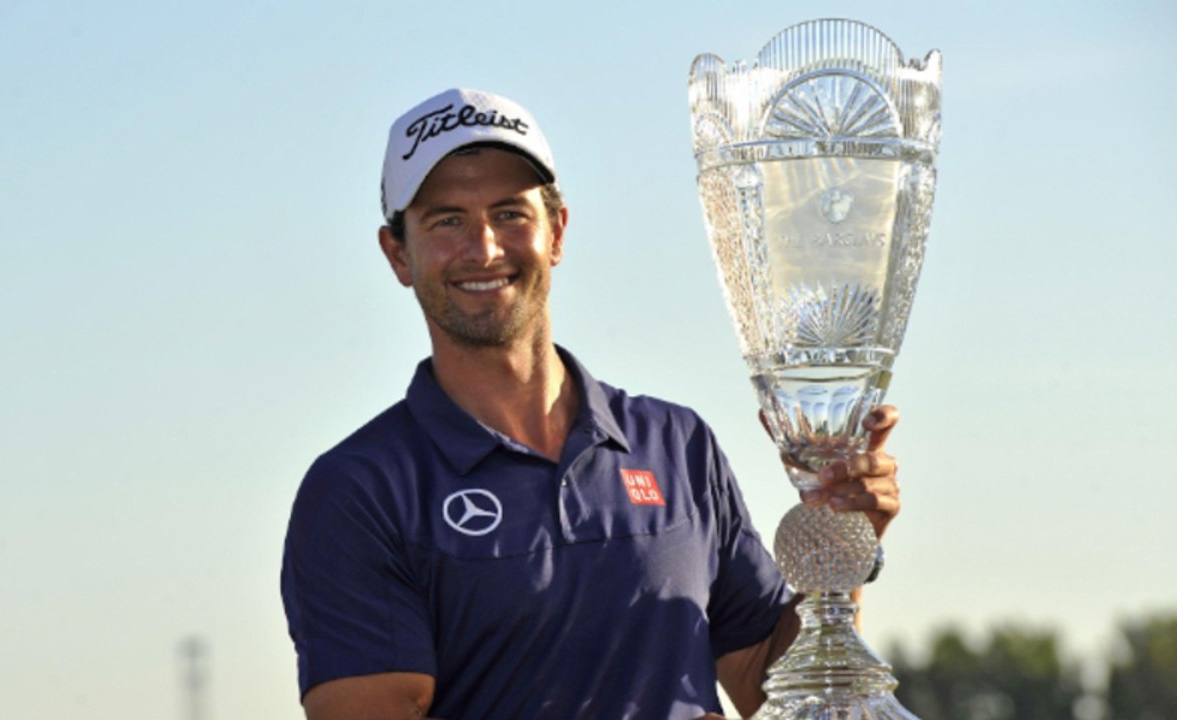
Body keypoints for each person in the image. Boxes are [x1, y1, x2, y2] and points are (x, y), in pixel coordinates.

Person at [280, 88, 903, 720]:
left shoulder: (676, 446)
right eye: (446, 221)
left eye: (510, 214)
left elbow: (764, 681)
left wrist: (841, 543)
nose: (484, 248)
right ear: (397, 255)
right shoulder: (358, 491)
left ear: (557, 232)